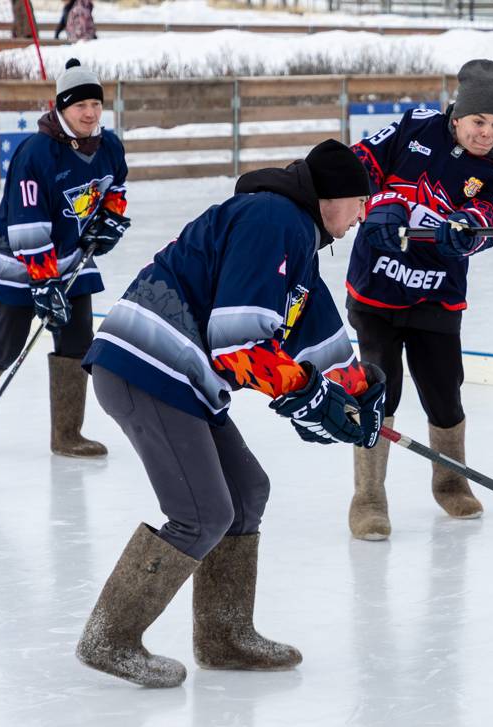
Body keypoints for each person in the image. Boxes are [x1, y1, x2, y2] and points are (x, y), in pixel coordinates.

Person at [74, 140, 386, 688]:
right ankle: (110, 636)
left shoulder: (298, 242)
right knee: (203, 512)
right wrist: (311, 396)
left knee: (246, 494)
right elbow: (238, 346)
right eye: (361, 201)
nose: (363, 215)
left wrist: (356, 390)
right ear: (332, 197)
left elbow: (319, 341)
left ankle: (224, 635)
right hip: (145, 367)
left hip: (179, 379)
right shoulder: (275, 219)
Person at [345, 58, 493, 541]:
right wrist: (377, 206)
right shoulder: (413, 128)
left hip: (435, 301)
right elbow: (360, 162)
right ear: (456, 116)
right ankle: (368, 498)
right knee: (380, 390)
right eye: (477, 122)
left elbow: (490, 218)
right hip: (377, 293)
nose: (486, 133)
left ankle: (451, 482)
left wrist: (467, 233)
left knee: (445, 393)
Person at [0, 58, 130, 458]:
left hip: (70, 256)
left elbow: (115, 186)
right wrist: (43, 283)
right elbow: (27, 224)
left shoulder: (107, 144)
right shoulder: (37, 154)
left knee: (78, 340)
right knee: (5, 346)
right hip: (19, 262)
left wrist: (109, 219)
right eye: (80, 106)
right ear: (61, 107)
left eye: (95, 104)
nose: (90, 113)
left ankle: (66, 434)